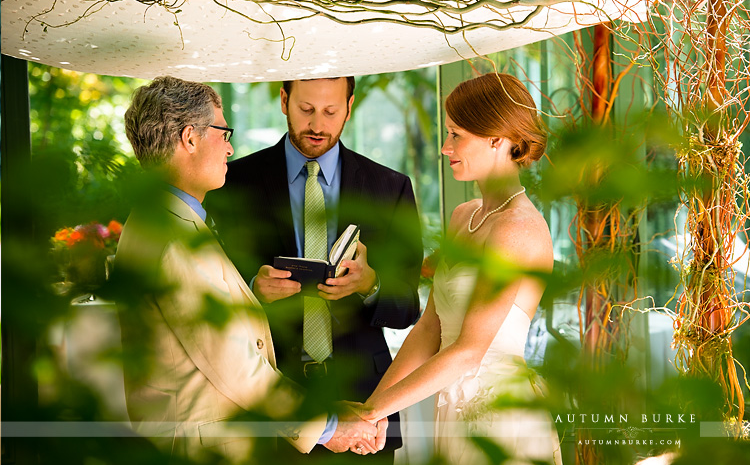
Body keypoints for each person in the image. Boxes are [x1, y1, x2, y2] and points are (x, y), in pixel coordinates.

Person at [113, 75, 381, 463]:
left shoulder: (167, 223)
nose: (230, 148)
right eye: (223, 133)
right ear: (190, 138)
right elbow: (234, 365)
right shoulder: (171, 238)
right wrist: (328, 427)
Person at [210, 76, 423, 462]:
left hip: (365, 405)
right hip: (272, 401)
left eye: (331, 111)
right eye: (306, 110)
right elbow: (208, 296)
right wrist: (253, 291)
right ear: (284, 100)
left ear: (350, 106)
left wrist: (371, 284)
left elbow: (409, 307)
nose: (318, 125)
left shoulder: (390, 187)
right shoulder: (230, 183)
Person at [353, 73, 563, 464]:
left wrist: (368, 414)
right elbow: (429, 329)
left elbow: (469, 352)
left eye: (456, 135)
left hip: (500, 418)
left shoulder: (516, 229)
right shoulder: (463, 216)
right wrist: (376, 406)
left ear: (497, 139)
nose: (445, 147)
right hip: (451, 411)